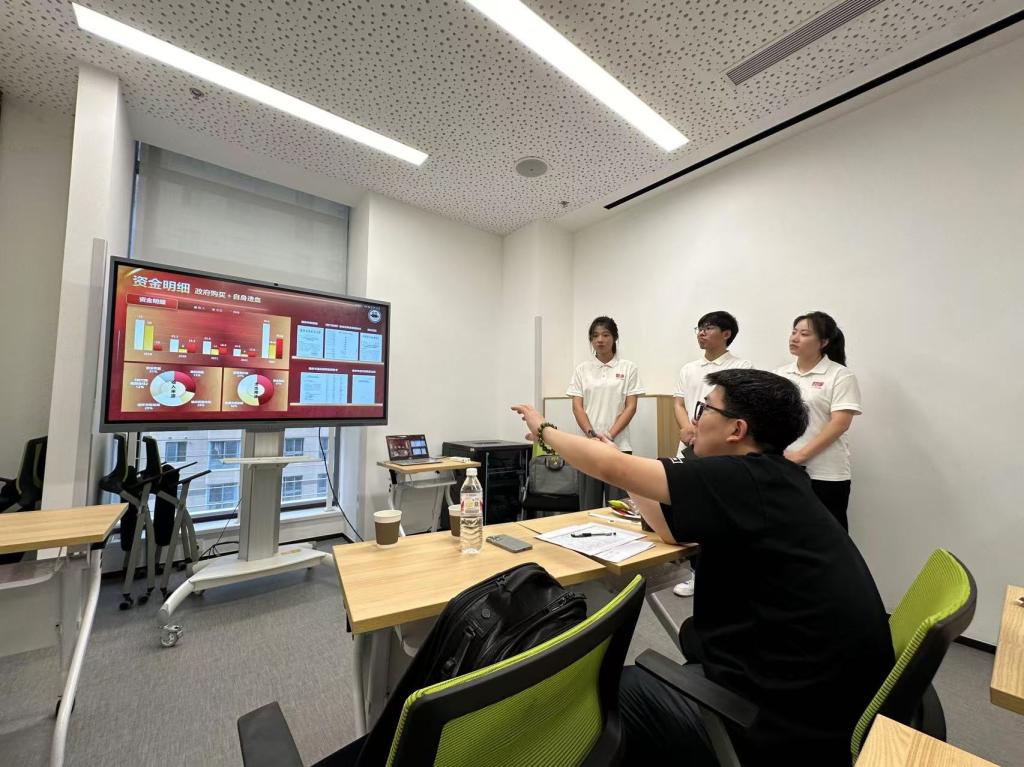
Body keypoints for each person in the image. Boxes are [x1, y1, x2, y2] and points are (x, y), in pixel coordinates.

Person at [512, 368, 893, 766]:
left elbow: (611, 470)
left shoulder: (739, 477)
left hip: (777, 722)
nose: (694, 422)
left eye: (705, 409)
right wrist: (622, 463)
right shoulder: (774, 477)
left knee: (589, 700)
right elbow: (669, 528)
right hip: (816, 701)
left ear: (736, 430)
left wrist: (545, 430)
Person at [671, 310, 753, 597]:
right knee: (693, 509)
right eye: (699, 328)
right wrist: (686, 428)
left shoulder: (741, 366)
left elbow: (741, 410)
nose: (701, 333)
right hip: (690, 445)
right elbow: (679, 404)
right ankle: (695, 573)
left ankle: (726, 574)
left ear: (726, 334)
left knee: (721, 511)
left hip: (722, 450)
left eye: (708, 328)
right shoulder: (689, 368)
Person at [774, 312, 862, 531]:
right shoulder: (780, 374)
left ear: (823, 342)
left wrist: (801, 455)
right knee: (786, 534)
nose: (795, 338)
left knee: (828, 536)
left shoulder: (840, 375)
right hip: (785, 469)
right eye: (794, 332)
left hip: (825, 473)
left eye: (804, 334)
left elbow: (840, 423)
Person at [566, 316, 644, 510]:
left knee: (618, 507)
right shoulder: (582, 369)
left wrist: (609, 435)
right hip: (588, 446)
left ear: (615, 337)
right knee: (588, 507)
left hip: (618, 446)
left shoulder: (628, 368)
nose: (600, 340)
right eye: (595, 336)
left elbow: (631, 407)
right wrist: (591, 435)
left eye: (605, 335)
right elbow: (577, 407)